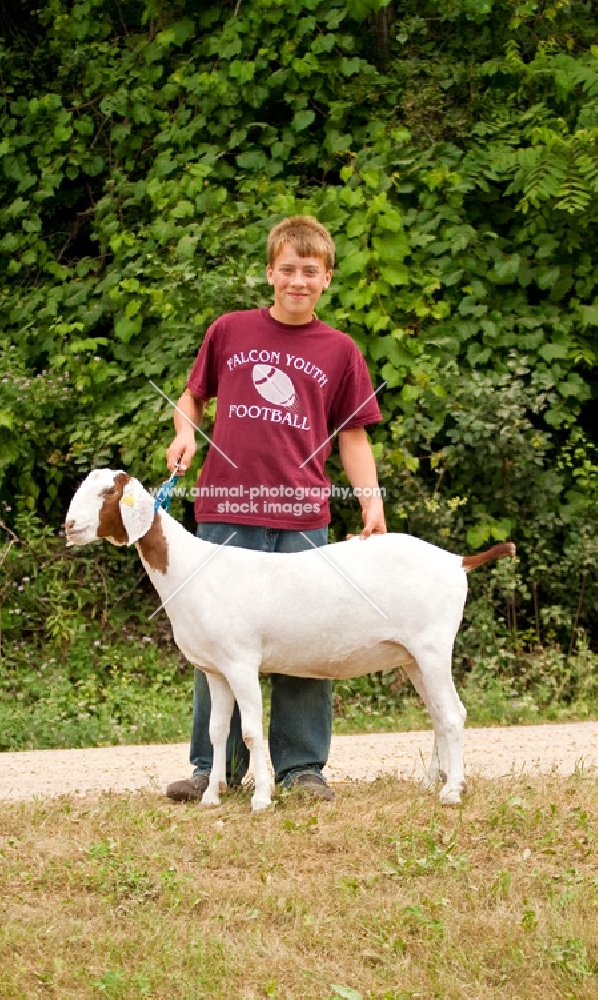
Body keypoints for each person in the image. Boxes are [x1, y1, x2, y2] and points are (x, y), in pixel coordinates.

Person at [164, 215, 386, 803]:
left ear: (327, 279)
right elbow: (192, 396)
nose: (297, 280)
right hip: (225, 513)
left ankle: (301, 767)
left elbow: (354, 436)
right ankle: (211, 768)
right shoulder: (230, 331)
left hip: (302, 517)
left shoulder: (340, 351)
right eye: (287, 269)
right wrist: (185, 434)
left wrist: (371, 502)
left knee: (307, 641)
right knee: (218, 644)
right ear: (269, 272)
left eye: (309, 272)